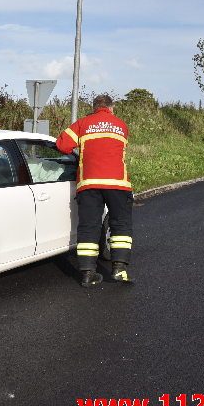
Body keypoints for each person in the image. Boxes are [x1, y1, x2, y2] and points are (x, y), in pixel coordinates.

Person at [55, 94, 134, 287]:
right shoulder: (121, 125)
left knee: (89, 226)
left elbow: (61, 145)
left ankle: (88, 274)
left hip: (89, 183)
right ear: (111, 108)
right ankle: (119, 270)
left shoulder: (83, 123)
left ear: (93, 107)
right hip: (117, 184)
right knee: (120, 225)